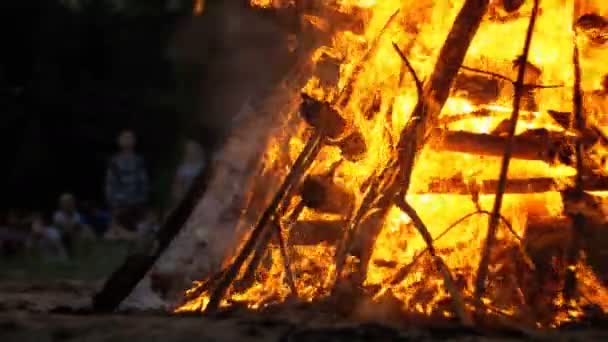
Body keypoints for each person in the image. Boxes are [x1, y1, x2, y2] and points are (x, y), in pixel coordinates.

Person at [105, 130, 149, 238]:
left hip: (136, 203)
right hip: (120, 204)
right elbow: (110, 184)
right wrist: (116, 201)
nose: (127, 140)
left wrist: (140, 199)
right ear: (119, 141)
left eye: (130, 138)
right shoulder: (114, 161)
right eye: (125, 138)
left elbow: (143, 183)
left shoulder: (139, 160)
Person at [53, 193, 94, 257]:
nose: (69, 204)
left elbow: (78, 227)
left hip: (74, 235)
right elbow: (64, 229)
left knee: (87, 230)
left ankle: (89, 252)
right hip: (62, 237)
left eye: (70, 202)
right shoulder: (58, 215)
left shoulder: (76, 214)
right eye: (66, 203)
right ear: (61, 204)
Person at [171, 139, 205, 205]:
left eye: (193, 149)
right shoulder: (182, 169)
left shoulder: (202, 165)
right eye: (189, 150)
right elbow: (177, 187)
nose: (191, 152)